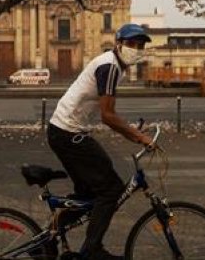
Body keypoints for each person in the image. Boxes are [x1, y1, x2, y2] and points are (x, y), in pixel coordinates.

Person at [47, 23, 154, 260]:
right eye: (131, 44)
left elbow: (110, 113)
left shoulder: (114, 65)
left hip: (64, 131)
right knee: (111, 189)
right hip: (68, 133)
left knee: (88, 193)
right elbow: (108, 116)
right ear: (118, 44)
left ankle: (48, 237)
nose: (136, 49)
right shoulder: (109, 66)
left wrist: (132, 131)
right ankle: (92, 249)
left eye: (140, 45)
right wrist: (139, 137)